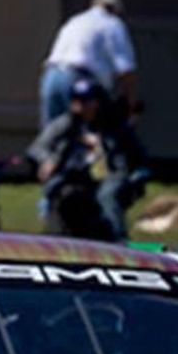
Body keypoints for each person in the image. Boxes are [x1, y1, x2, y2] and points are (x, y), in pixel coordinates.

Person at [29, 78, 147, 242]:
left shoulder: (114, 126)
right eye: (77, 101)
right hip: (76, 174)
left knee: (108, 195)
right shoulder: (66, 124)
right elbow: (38, 147)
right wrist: (48, 160)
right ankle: (57, 237)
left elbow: (132, 156)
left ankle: (117, 239)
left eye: (86, 101)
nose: (81, 106)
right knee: (60, 191)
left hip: (110, 174)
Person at [39, 0, 138, 128]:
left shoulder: (75, 21)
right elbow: (125, 68)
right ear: (115, 11)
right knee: (87, 132)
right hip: (80, 79)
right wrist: (130, 102)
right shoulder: (112, 23)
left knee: (52, 135)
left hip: (52, 77)